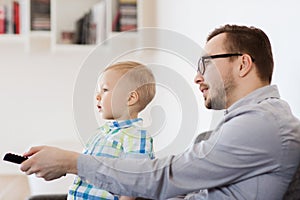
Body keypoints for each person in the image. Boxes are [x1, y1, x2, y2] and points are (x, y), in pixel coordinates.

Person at [20, 24, 300, 199]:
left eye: (206, 64)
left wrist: (72, 162)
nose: (197, 77)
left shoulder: (262, 124)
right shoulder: (248, 121)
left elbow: (167, 176)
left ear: (243, 64)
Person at [68, 61, 156, 200]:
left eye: (105, 90)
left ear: (130, 98)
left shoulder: (137, 137)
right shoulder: (99, 133)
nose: (97, 96)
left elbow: (134, 182)